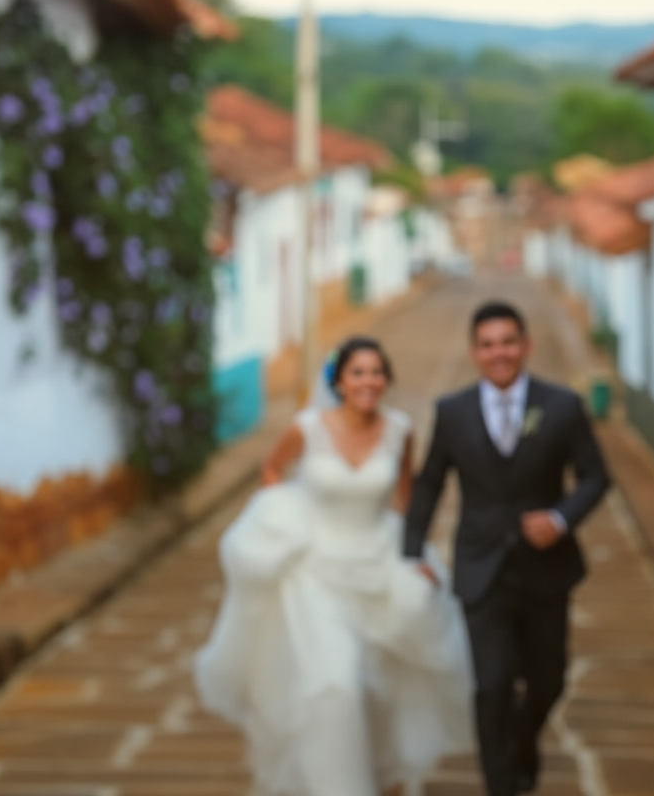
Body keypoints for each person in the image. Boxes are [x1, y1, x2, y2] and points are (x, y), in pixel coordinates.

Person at [193, 336, 474, 796]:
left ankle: (380, 772)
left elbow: (407, 501)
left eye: (377, 372)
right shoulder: (308, 428)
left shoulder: (400, 431)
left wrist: (416, 557)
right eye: (358, 372)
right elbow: (271, 470)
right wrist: (282, 522)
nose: (369, 381)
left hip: (378, 565)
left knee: (377, 688)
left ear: (386, 380)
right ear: (340, 381)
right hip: (316, 573)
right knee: (335, 683)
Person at [404, 300, 611, 796]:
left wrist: (560, 519)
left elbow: (596, 476)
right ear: (475, 352)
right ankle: (499, 784)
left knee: (549, 682)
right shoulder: (451, 412)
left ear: (526, 346)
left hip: (545, 569)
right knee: (492, 685)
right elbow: (430, 482)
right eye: (488, 344)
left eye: (508, 342)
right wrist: (412, 551)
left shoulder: (561, 406)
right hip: (481, 568)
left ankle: (521, 741)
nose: (499, 353)